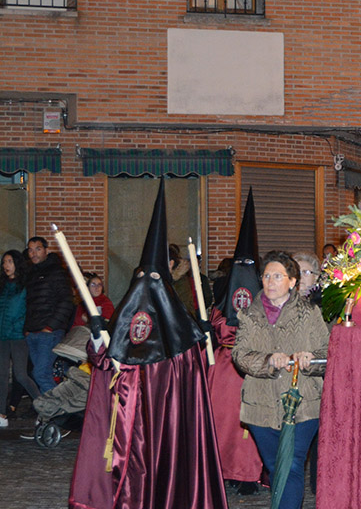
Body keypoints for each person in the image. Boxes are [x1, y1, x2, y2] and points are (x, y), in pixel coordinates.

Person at [69, 179, 227, 509]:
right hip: (129, 417)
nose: (148, 284)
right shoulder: (128, 310)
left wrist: (200, 337)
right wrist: (98, 336)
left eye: (156, 278)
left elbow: (193, 373)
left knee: (166, 464)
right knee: (130, 473)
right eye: (143, 277)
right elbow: (104, 360)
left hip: (169, 419)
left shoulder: (179, 324)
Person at [234, 251, 329, 509]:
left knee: (293, 464)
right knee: (276, 466)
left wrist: (310, 358)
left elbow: (328, 353)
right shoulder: (249, 315)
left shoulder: (310, 314)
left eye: (278, 276)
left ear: (292, 282)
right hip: (260, 405)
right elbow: (240, 356)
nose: (270, 282)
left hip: (303, 404)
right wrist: (268, 361)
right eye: (266, 276)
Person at [209, 188, 263, 494]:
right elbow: (218, 323)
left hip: (250, 369)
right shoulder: (222, 300)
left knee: (248, 424)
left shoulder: (265, 297)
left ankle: (247, 473)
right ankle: (221, 469)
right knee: (223, 423)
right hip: (224, 369)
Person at [24, 236, 74, 393]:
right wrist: (27, 329)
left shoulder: (56, 272)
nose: (34, 254)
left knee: (41, 374)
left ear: (46, 250)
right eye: (30, 250)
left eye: (38, 249)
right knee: (40, 375)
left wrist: (50, 327)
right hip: (33, 332)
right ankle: (49, 413)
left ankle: (57, 412)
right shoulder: (31, 274)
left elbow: (66, 301)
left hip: (48, 333)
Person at [0, 250, 41, 428]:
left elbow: (30, 310)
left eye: (9, 261)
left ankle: (45, 407)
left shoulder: (26, 285)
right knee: (1, 377)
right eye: (4, 262)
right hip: (2, 336)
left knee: (21, 375)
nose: (6, 265)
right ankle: (2, 414)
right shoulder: (2, 285)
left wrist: (26, 328)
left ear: (17, 263)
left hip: (18, 336)